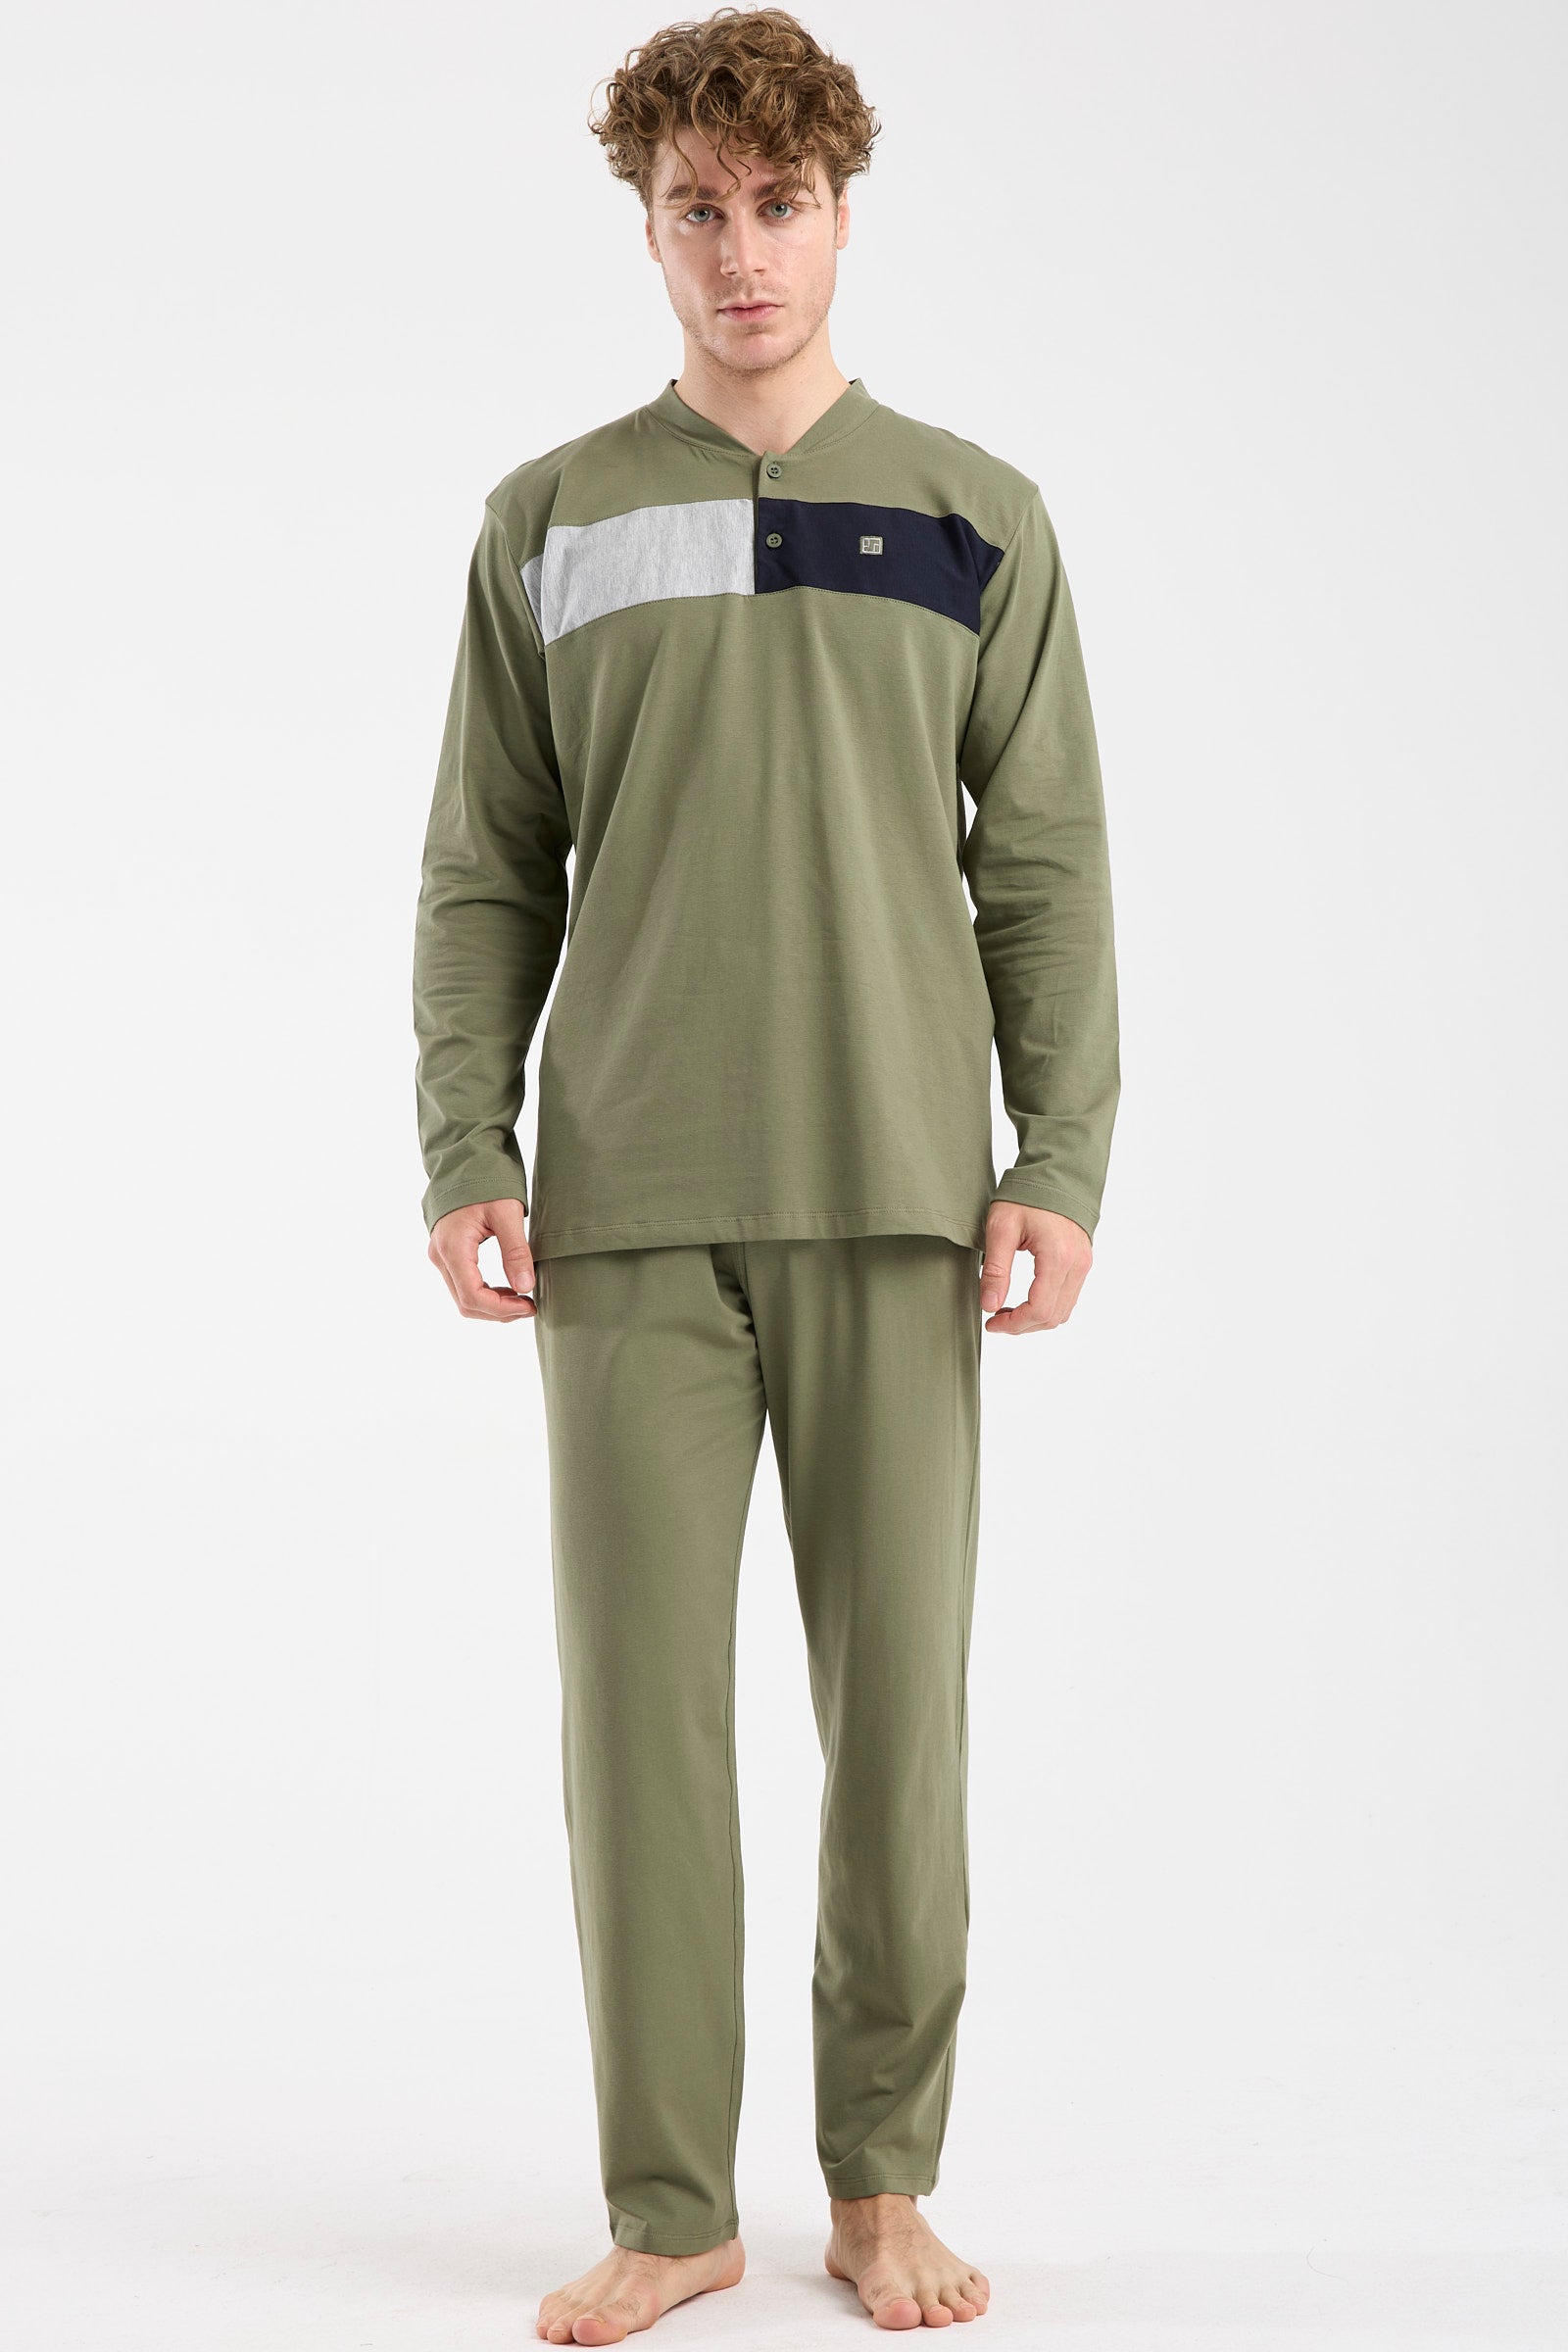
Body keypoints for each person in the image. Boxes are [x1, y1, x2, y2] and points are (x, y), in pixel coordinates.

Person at [411, 8, 1119, 2338]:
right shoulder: (546, 520)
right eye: (695, 209)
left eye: (778, 204)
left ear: (839, 211)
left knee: (895, 1733)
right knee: (640, 1734)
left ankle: (880, 2184)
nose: (740, 253)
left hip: (902, 1197)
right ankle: (671, 2205)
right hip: (620, 1209)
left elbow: (1042, 869)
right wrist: (464, 1140)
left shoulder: (975, 513)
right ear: (644, 225)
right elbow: (484, 870)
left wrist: (1057, 1154)